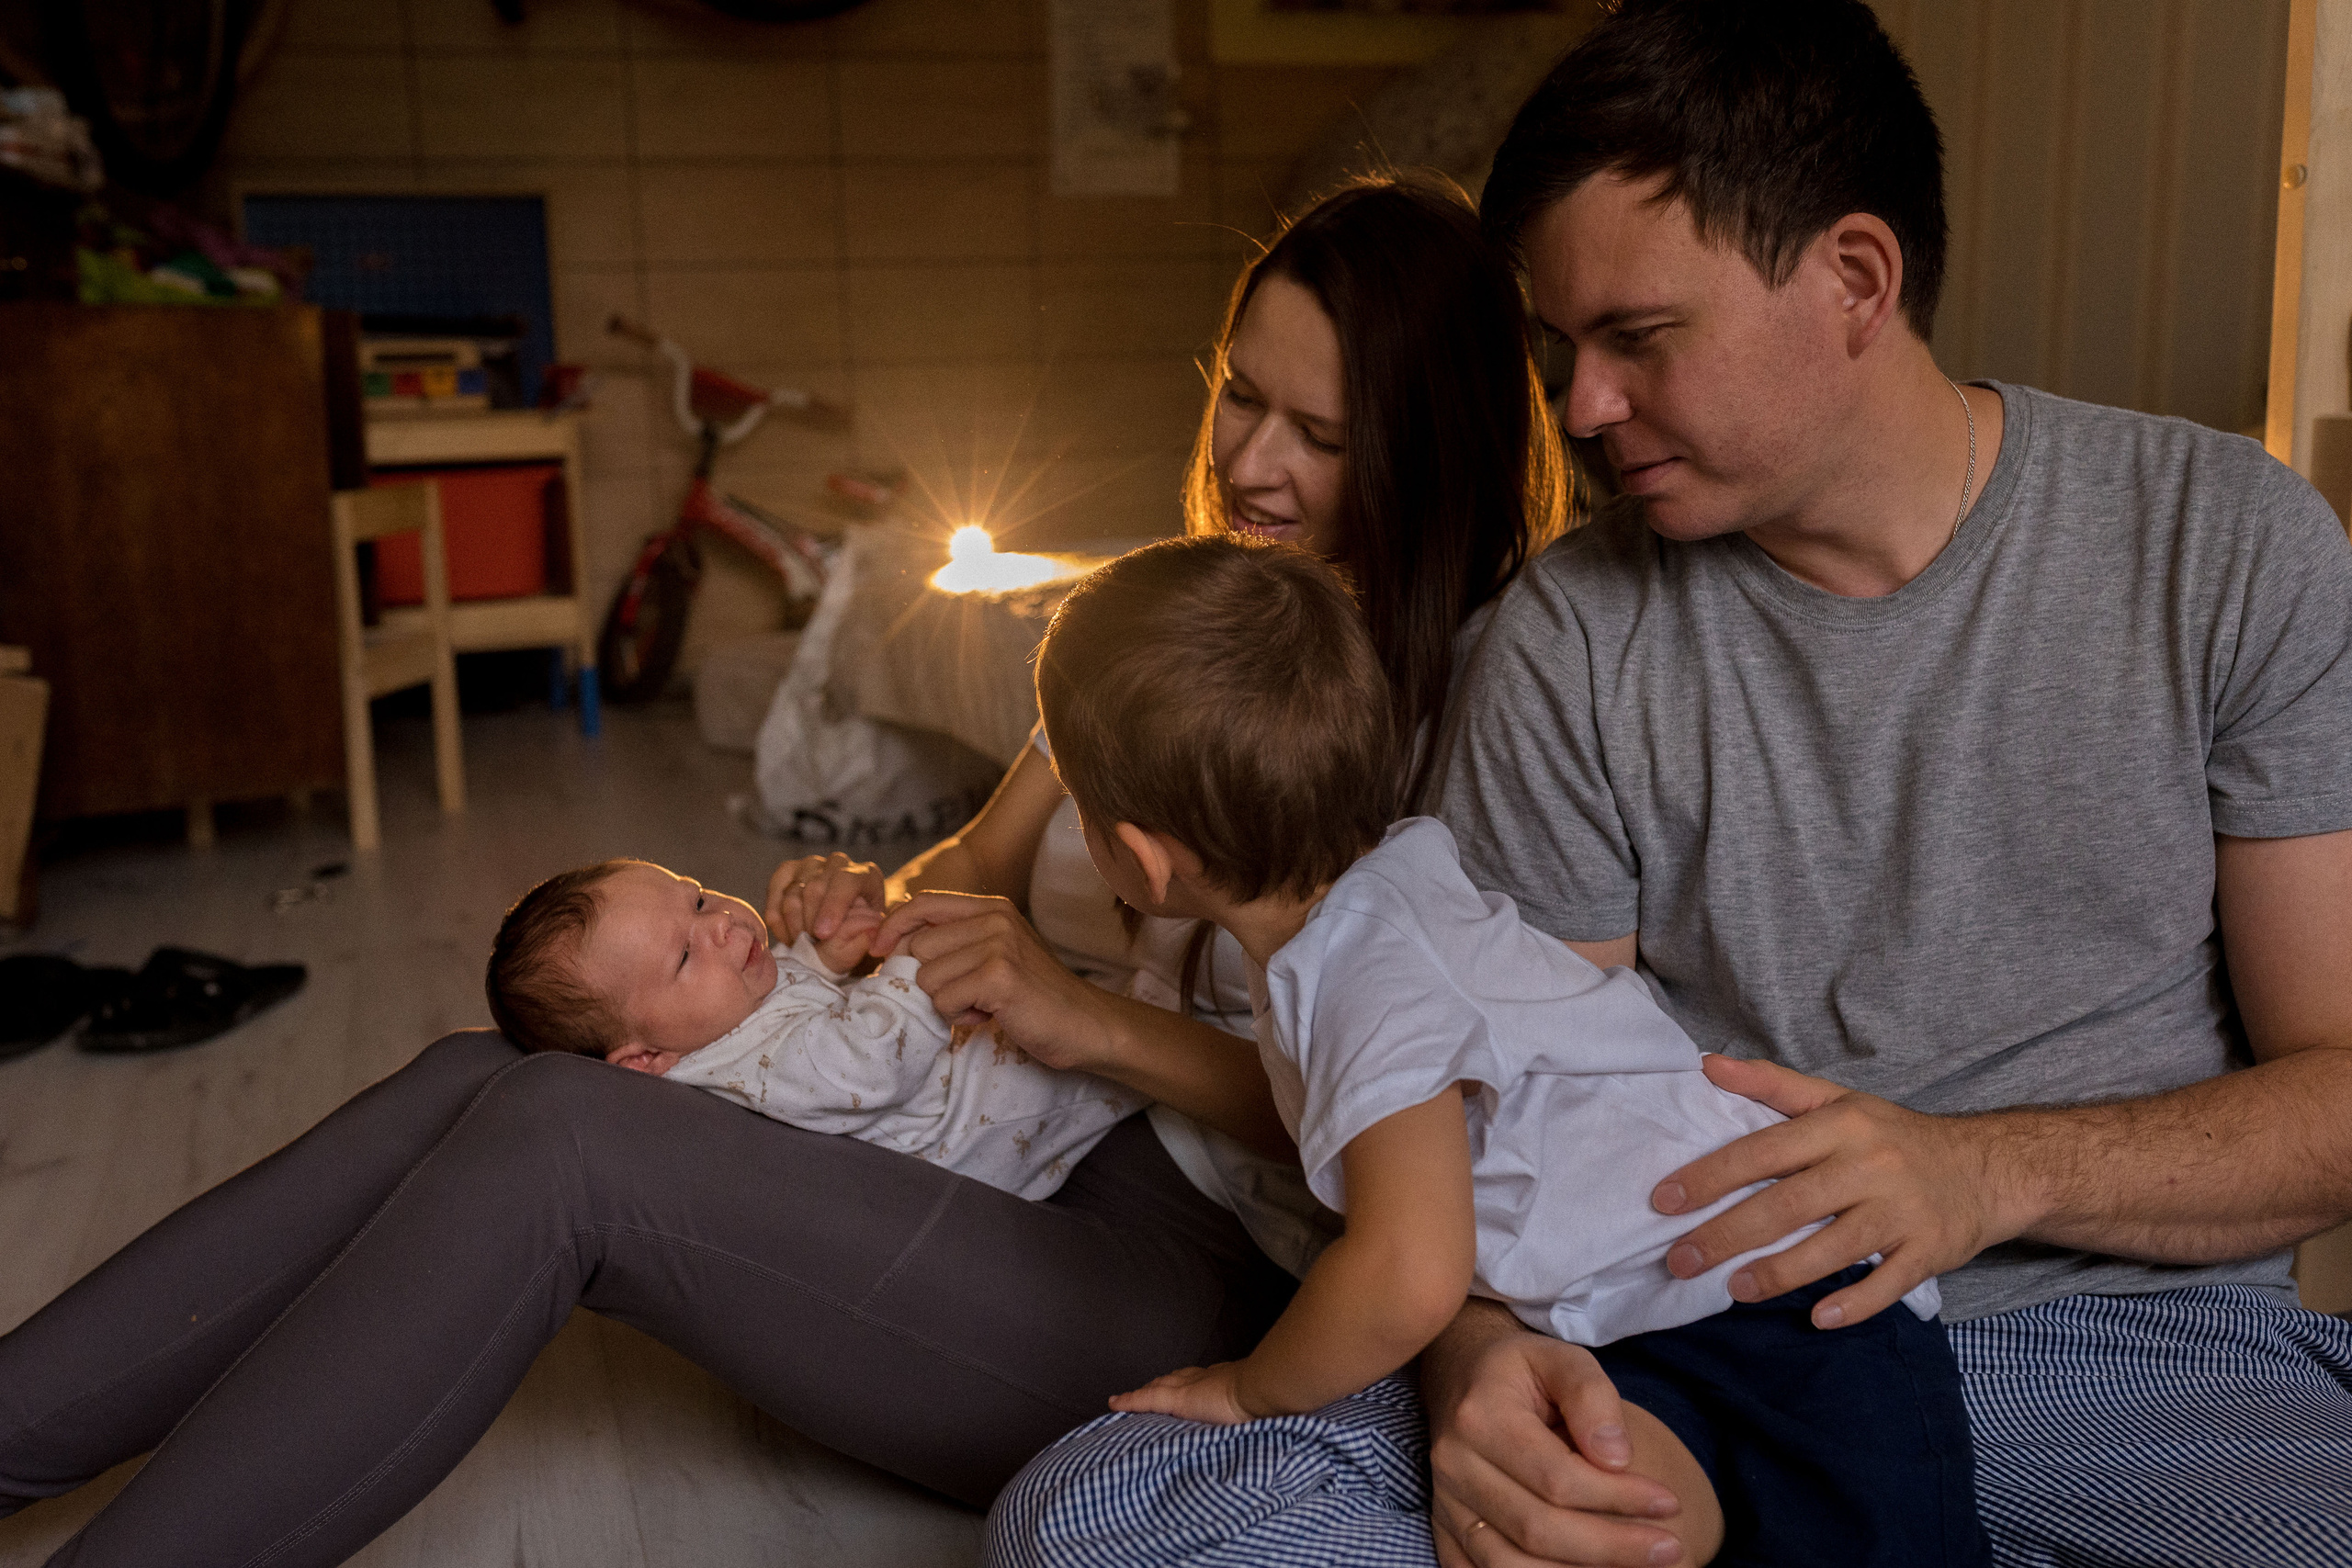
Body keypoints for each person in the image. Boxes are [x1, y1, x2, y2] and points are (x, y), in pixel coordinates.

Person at [0, 176, 1561, 1565]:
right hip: (995, 1130)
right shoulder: (1181, 622)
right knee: (485, 1067)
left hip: (1207, 1265)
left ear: (1423, 451)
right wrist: (861, 906)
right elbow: (981, 861)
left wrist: (1092, 1023)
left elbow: (1453, 1143)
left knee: (568, 1137)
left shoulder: (1473, 702)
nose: (1253, 463)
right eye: (1239, 396)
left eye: (1320, 435)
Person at [994, 4, 2352, 1566]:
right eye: (1561, 350)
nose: (1579, 410)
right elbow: (1486, 1140)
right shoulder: (1570, 638)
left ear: (1856, 280)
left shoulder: (2224, 545)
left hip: (2143, 1358)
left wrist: (1976, 1172)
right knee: (1097, 1523)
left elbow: (2335, 1097)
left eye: (1638, 340)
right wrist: (1482, 1366)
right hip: (1676, 1346)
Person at [1027, 535, 1982, 1567]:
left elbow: (1408, 1274)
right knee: (1625, 1528)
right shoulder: (1390, 891)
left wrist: (1251, 1388)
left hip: (1794, 1312)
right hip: (1652, 1314)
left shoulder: (1361, 978)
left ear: (1140, 857)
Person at [483, 859, 1143, 1200]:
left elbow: (785, 1005)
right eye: (684, 956)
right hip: (984, 1124)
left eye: (698, 897)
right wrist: (908, 967)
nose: (721, 924)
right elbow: (864, 1065)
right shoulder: (748, 1072)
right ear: (645, 1059)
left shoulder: (716, 1018)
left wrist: (822, 958)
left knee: (1105, 1007)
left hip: (974, 1076)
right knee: (1104, 1076)